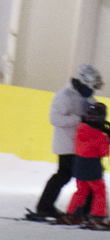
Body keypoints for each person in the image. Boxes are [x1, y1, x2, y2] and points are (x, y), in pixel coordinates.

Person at [33, 65, 103, 219]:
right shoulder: (64, 96)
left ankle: (86, 210)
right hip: (66, 145)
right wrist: (79, 120)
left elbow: (92, 117)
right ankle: (45, 207)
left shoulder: (87, 97)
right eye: (92, 86)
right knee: (65, 175)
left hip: (83, 145)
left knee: (86, 176)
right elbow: (55, 119)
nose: (93, 90)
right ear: (84, 81)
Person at [66, 101, 110, 228]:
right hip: (92, 166)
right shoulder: (99, 135)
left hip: (79, 165)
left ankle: (71, 214)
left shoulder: (81, 129)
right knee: (99, 191)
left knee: (81, 191)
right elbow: (104, 152)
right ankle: (97, 217)